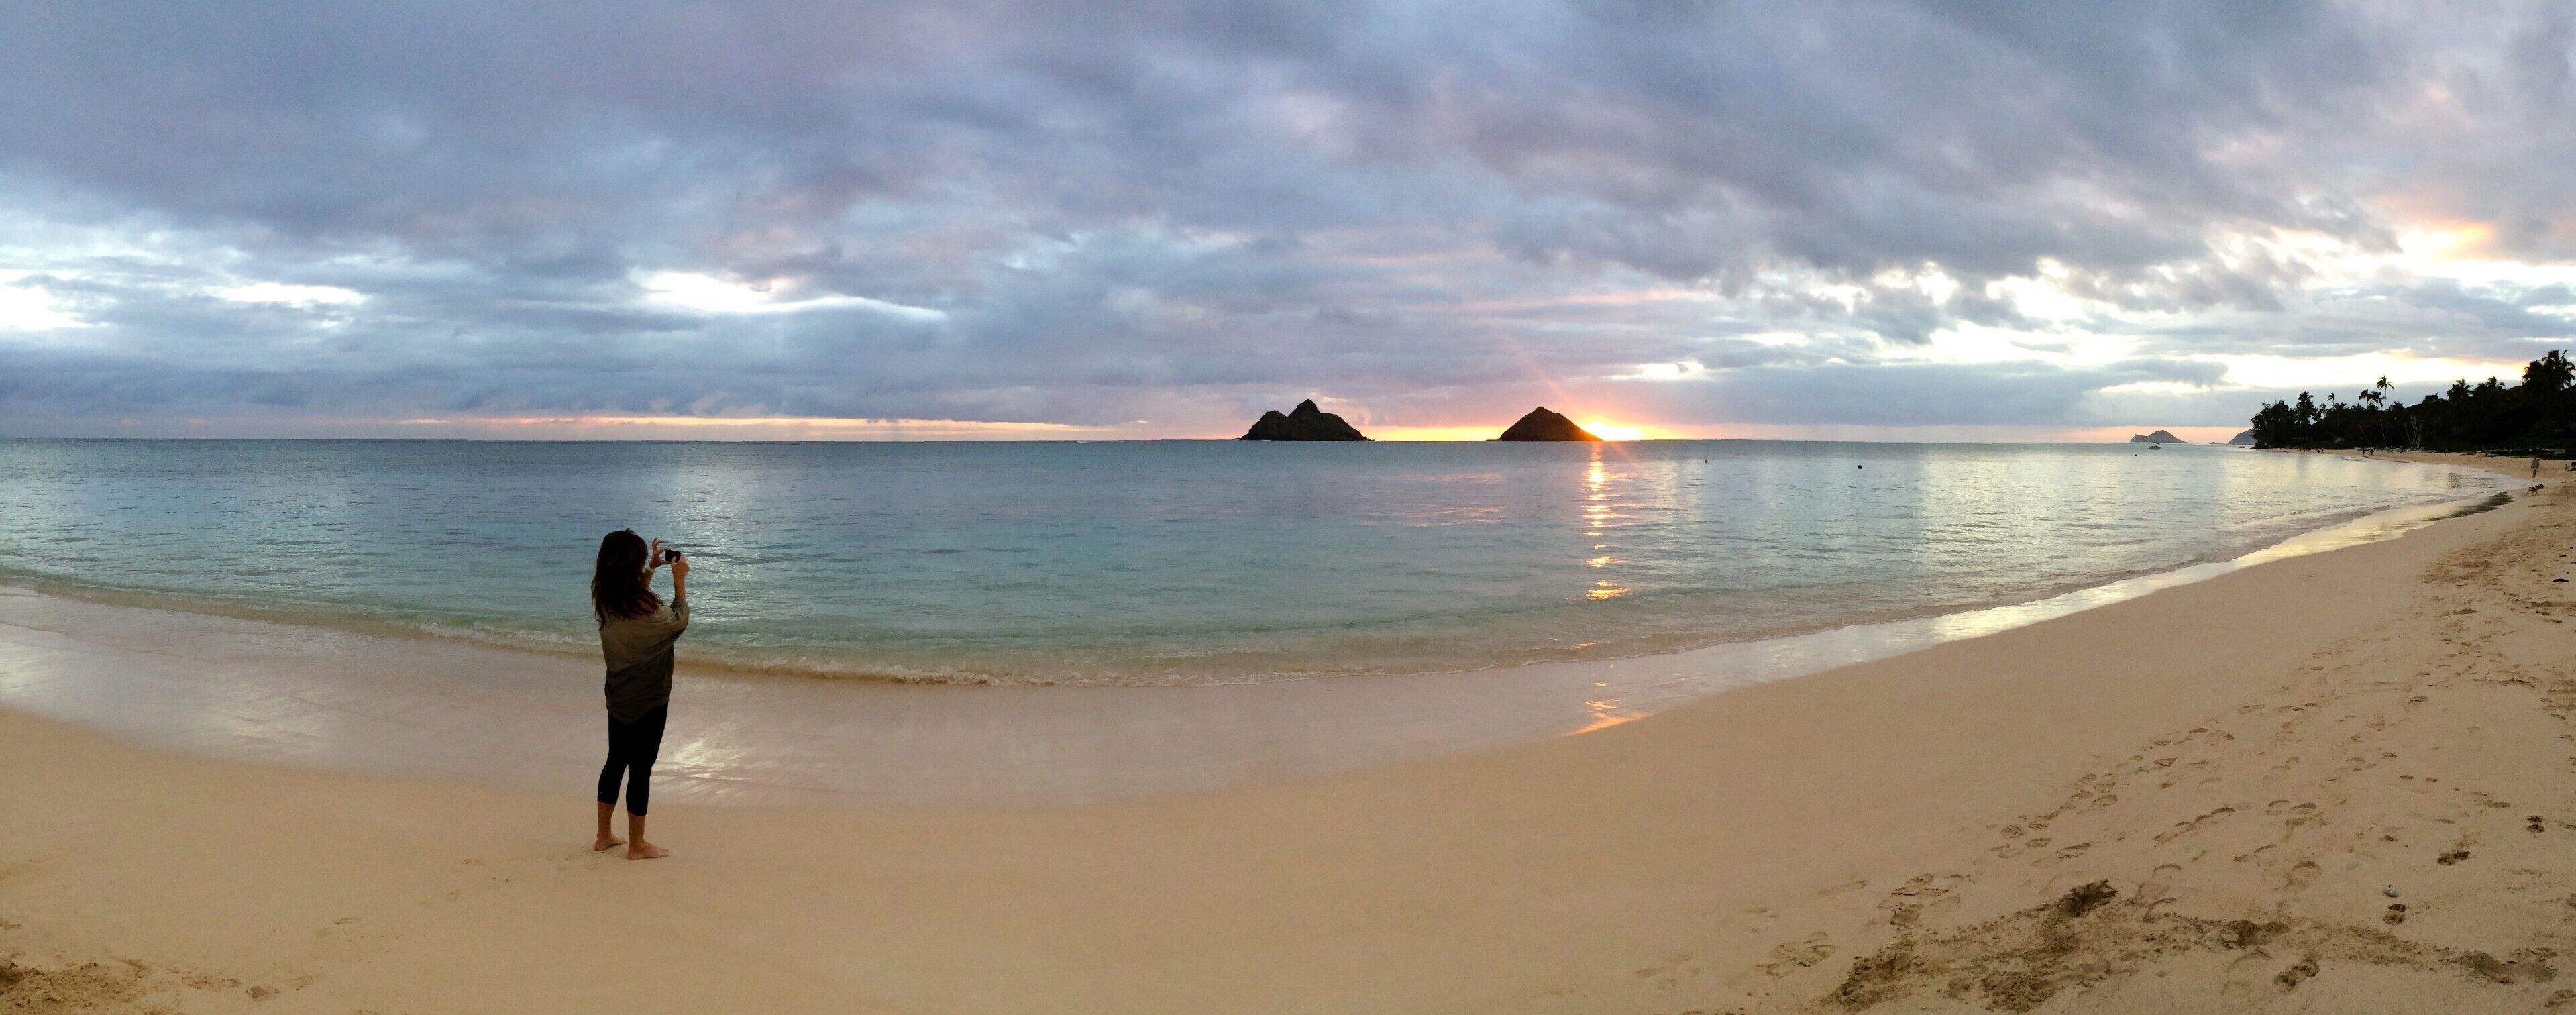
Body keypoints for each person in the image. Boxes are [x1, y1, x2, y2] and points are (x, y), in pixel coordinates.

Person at [590, 529, 689, 860]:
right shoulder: (642, 606)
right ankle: (637, 845)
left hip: (618, 694)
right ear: (630, 565)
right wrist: (679, 579)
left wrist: (651, 569)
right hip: (649, 697)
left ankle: (604, 836)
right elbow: (677, 621)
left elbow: (634, 606)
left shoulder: (606, 596)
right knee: (641, 768)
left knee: (616, 760)